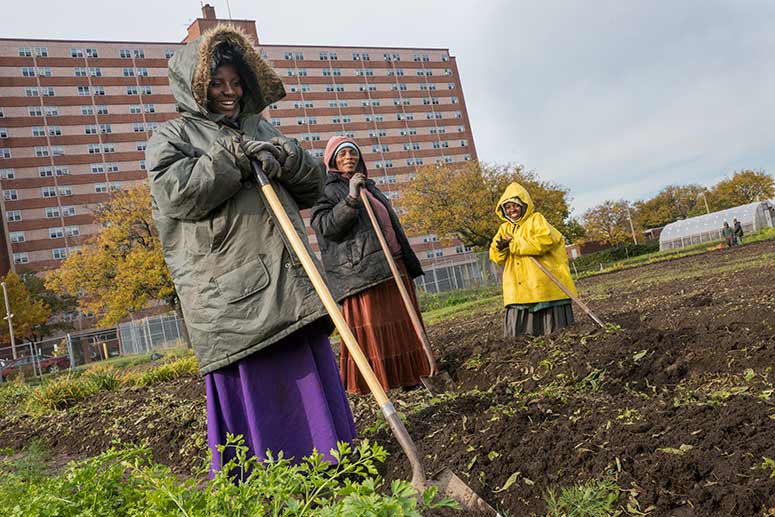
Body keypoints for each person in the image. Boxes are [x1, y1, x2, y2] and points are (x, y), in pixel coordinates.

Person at [145, 26, 355, 473]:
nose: (229, 92)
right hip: (234, 299)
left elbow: (313, 187)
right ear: (196, 86)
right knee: (262, 398)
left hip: (289, 285)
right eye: (217, 83)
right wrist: (232, 158)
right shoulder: (172, 137)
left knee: (306, 379)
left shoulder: (260, 126)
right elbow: (176, 193)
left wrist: (289, 158)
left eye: (236, 83)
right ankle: (273, 482)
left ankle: (332, 468)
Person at [310, 137, 431, 395]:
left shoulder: (371, 187)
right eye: (342, 154)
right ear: (331, 160)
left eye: (352, 154)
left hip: (392, 266)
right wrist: (351, 198)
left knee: (403, 323)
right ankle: (375, 382)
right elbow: (325, 227)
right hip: (362, 274)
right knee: (376, 329)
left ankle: (412, 374)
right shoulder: (328, 190)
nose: (348, 158)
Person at [489, 182, 577, 336]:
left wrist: (515, 245)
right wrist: (500, 248)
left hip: (542, 283)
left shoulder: (536, 219)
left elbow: (546, 239)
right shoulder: (504, 229)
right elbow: (495, 256)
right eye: (508, 207)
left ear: (524, 205)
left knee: (556, 332)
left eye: (515, 206)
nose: (512, 210)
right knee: (519, 338)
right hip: (517, 287)